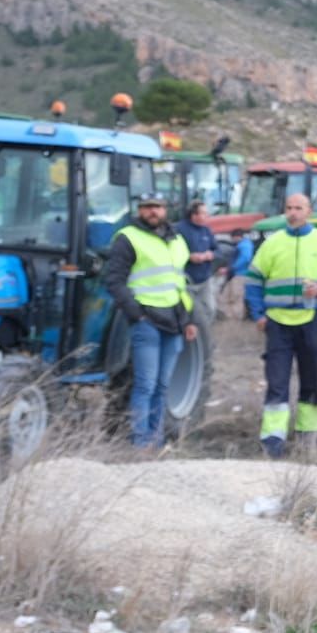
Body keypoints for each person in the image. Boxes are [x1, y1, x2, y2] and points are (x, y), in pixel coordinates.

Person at [244, 193, 317, 458]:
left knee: (311, 379)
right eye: (288, 208)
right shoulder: (273, 242)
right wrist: (258, 314)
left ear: (309, 211)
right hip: (277, 323)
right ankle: (273, 441)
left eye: (298, 208)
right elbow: (254, 280)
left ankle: (308, 439)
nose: (293, 213)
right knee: (277, 382)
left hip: (311, 321)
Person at [103, 192, 197, 448]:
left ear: (165, 210)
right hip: (147, 321)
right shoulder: (128, 238)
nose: (152, 212)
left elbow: (179, 283)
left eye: (157, 207)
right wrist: (137, 314)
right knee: (145, 384)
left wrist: (189, 321)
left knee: (162, 385)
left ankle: (155, 440)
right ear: (140, 210)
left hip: (174, 321)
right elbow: (114, 280)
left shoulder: (176, 240)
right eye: (147, 207)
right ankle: (140, 442)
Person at [175, 200, 218, 341]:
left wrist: (210, 255)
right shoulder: (179, 229)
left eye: (207, 213)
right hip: (186, 280)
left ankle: (202, 336)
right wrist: (189, 257)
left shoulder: (206, 230)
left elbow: (217, 249)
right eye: (203, 213)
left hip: (204, 279)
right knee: (189, 313)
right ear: (193, 214)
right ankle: (190, 339)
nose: (206, 216)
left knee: (210, 309)